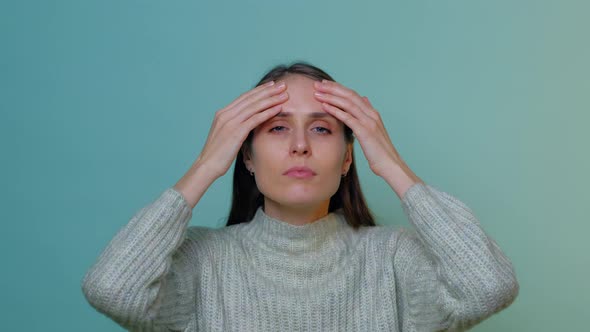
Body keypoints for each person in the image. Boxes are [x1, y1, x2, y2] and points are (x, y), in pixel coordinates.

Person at [81, 62, 519, 331]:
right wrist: (205, 166)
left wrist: (390, 163)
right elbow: (113, 289)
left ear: (348, 158)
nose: (300, 145)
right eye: (277, 127)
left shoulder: (392, 259)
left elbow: (488, 286)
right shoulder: (203, 263)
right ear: (246, 157)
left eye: (322, 128)